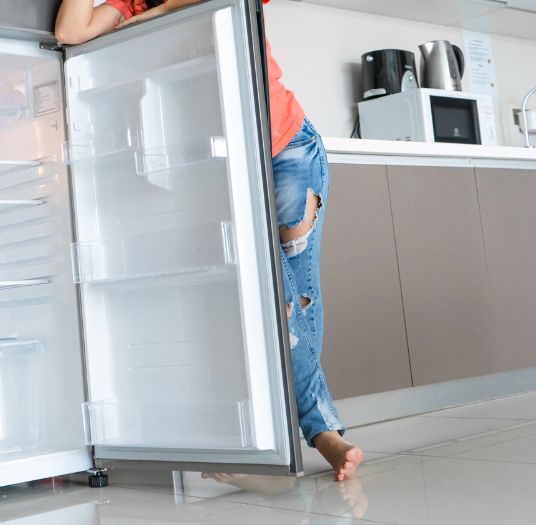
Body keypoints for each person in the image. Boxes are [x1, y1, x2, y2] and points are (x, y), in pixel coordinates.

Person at [55, 0, 364, 481]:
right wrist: (142, 14)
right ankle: (290, 437)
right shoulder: (131, 1)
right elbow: (73, 30)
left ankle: (315, 433)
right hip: (225, 161)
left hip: (287, 150)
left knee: (293, 296)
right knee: (269, 299)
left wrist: (151, 19)